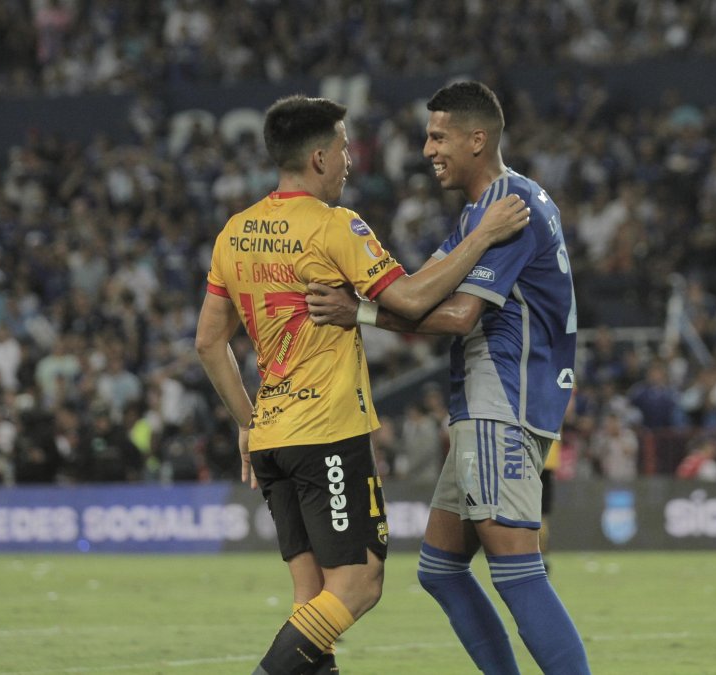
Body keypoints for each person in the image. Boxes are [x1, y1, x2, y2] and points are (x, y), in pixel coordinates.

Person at [194, 94, 530, 675]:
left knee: (313, 602)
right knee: (360, 584)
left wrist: (247, 423)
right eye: (346, 149)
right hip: (325, 432)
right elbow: (414, 300)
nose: (351, 160)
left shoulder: (235, 232)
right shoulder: (335, 226)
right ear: (320, 157)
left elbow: (208, 342)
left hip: (272, 435)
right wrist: (482, 237)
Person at [307, 81, 590, 675]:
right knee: (439, 567)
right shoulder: (486, 211)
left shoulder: (507, 210)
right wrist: (368, 292)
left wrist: (357, 311)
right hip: (488, 404)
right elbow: (415, 292)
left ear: (476, 138)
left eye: (439, 136)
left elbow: (459, 315)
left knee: (517, 571)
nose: (428, 148)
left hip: (502, 399)